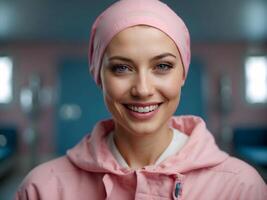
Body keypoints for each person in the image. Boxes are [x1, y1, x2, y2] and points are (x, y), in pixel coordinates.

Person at [15, 0, 267, 199]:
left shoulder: (241, 188)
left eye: (163, 66)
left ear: (183, 73)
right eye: (122, 68)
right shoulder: (42, 189)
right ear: (98, 75)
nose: (143, 89)